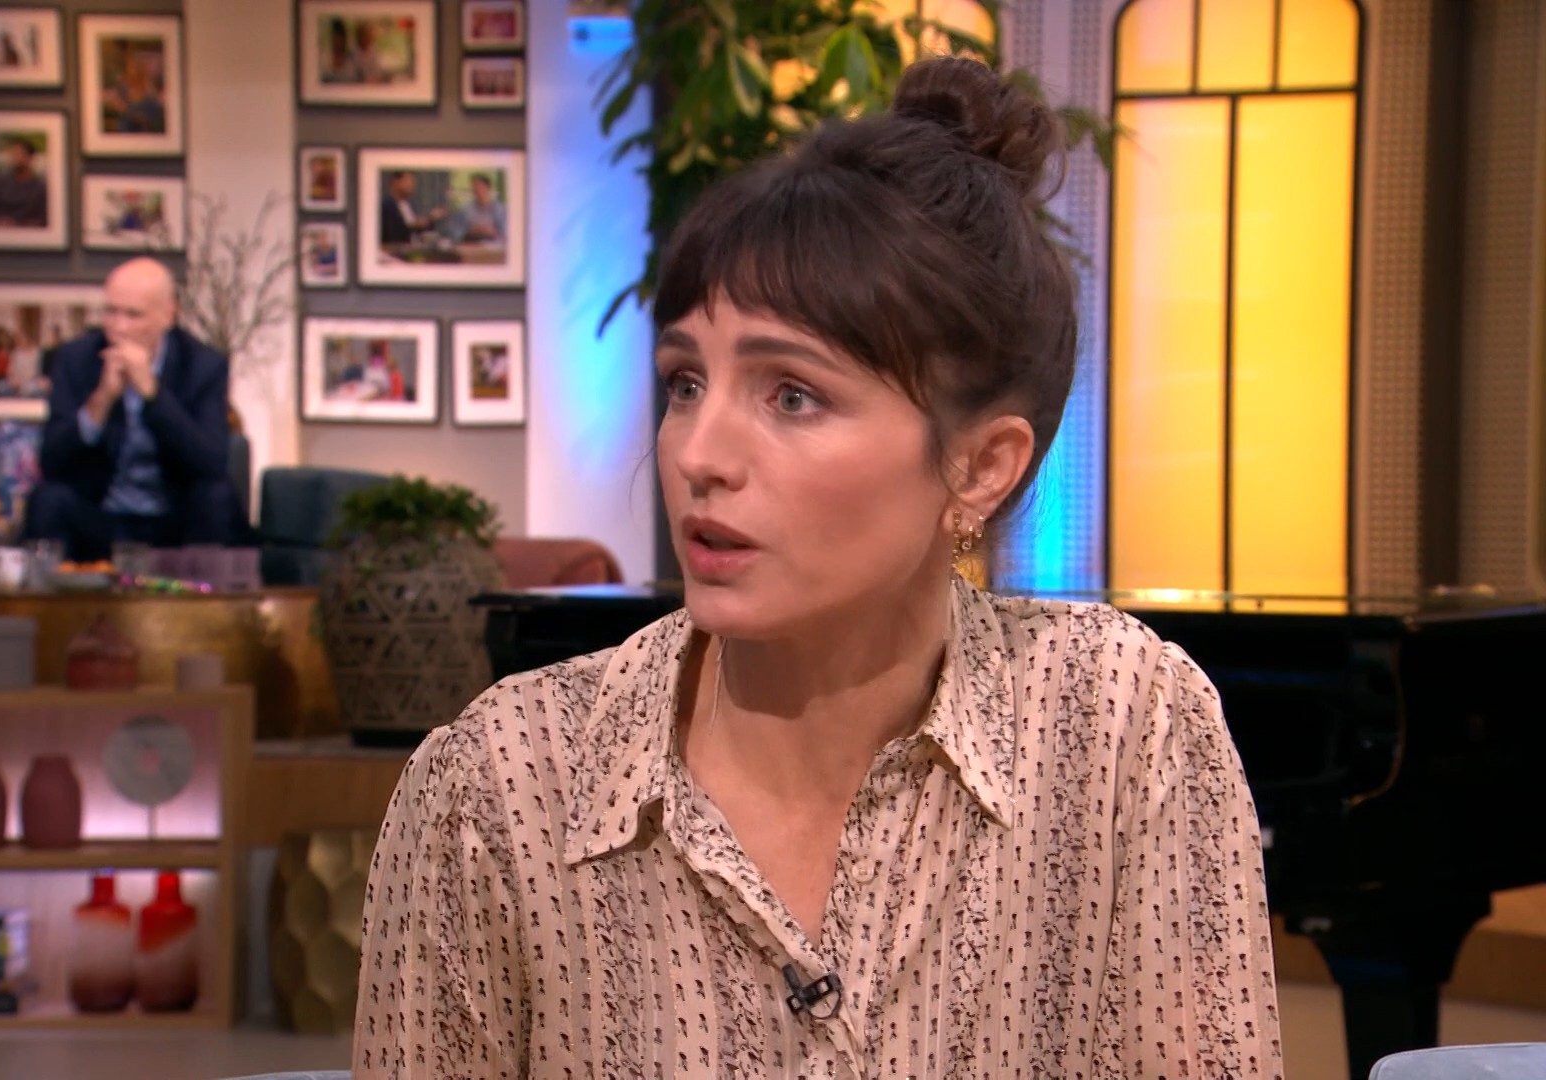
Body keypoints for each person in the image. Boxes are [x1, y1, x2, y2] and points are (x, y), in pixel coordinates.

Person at [352, 57, 1284, 1078]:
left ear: (981, 466)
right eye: (686, 382)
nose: (699, 454)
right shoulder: (501, 785)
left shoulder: (1123, 729)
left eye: (791, 394)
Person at [24, 257, 240, 562]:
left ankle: (205, 593)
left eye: (133, 315)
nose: (118, 327)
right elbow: (52, 461)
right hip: (101, 514)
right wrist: (103, 398)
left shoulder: (203, 366)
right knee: (48, 499)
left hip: (172, 517)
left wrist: (152, 393)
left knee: (217, 497)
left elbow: (210, 462)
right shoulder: (76, 359)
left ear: (168, 315)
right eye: (111, 312)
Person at [0, 136, 47, 228]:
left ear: (30, 157)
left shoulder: (40, 187)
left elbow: (43, 219)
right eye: (13, 154)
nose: (16, 158)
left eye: (20, 154)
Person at [377, 171, 446, 248]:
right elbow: (397, 230)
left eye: (413, 183)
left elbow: (413, 225)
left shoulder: (406, 205)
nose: (412, 186)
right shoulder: (386, 205)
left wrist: (430, 219)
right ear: (396, 182)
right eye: (408, 182)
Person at [453, 174, 505, 245]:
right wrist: (473, 231)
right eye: (474, 187)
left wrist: (490, 231)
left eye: (479, 186)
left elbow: (505, 233)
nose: (476, 190)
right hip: (472, 246)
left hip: (494, 246)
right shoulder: (467, 209)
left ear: (488, 188)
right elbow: (458, 233)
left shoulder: (499, 209)